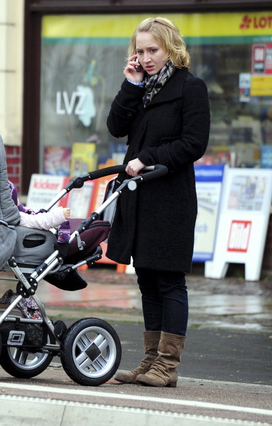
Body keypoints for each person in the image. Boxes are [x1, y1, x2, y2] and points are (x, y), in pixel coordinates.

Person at [105, 17, 210, 387]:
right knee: (147, 279)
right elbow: (115, 127)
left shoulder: (190, 87)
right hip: (139, 198)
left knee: (168, 280)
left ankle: (167, 366)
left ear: (170, 48)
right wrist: (130, 84)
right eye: (141, 50)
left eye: (153, 50)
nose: (146, 57)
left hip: (170, 199)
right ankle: (149, 363)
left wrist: (147, 158)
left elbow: (194, 144)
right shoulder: (142, 87)